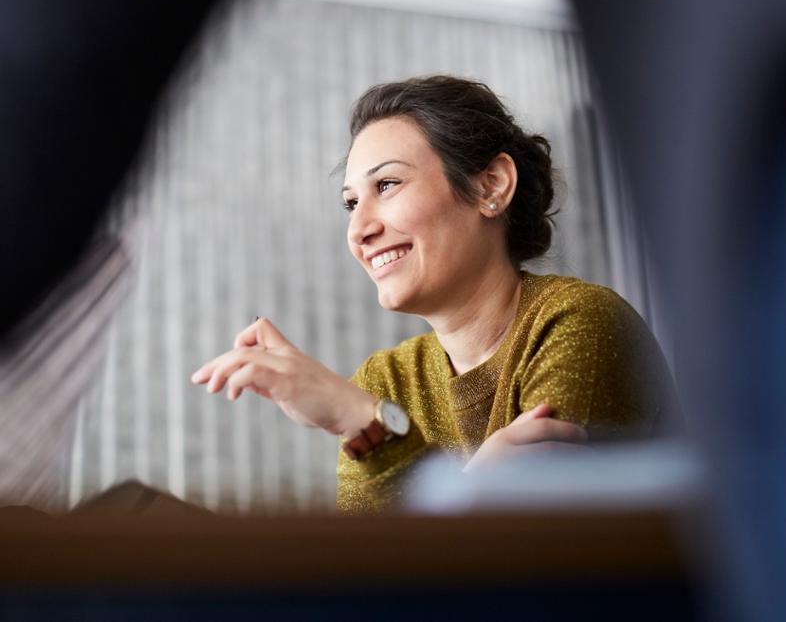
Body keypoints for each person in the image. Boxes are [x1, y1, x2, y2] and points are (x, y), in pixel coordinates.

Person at [191, 76, 674, 514]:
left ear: (492, 185)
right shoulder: (387, 383)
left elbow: (537, 569)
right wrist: (475, 485)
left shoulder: (579, 322)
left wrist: (368, 425)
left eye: (388, 184)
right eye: (351, 203)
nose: (359, 228)